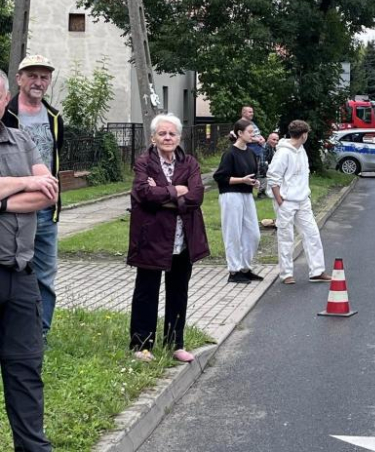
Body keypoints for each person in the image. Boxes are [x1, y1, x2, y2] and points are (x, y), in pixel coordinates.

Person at [0, 69, 56, 451]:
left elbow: (48, 192)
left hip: (21, 277)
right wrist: (25, 182)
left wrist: (4, 201)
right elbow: (36, 185)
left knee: (26, 372)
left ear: (5, 99)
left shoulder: (21, 140)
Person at [128, 113, 210, 363]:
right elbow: (143, 194)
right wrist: (176, 190)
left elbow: (196, 196)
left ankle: (175, 344)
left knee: (178, 291)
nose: (167, 137)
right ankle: (141, 345)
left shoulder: (190, 163)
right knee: (146, 292)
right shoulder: (144, 162)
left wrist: (163, 194)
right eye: (162, 133)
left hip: (182, 239)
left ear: (179, 137)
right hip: (151, 238)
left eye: (172, 133)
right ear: (153, 138)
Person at [1, 55, 64, 339]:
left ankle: (40, 334)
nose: (38, 82)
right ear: (19, 79)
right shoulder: (8, 112)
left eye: (44, 77)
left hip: (44, 208)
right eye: (32, 76)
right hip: (13, 208)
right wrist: (24, 186)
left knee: (45, 274)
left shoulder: (54, 117)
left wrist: (41, 188)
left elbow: (53, 164)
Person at [267, 120, 331, 285]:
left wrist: (305, 195)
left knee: (312, 234)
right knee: (286, 237)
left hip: (302, 200)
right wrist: (280, 200)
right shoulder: (283, 153)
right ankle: (286, 273)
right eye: (307, 134)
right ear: (303, 135)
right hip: (286, 201)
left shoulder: (301, 150)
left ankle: (317, 271)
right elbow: (273, 177)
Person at [213, 119, 263, 283]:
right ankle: (234, 271)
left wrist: (254, 182)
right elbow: (220, 177)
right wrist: (242, 180)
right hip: (231, 195)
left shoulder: (251, 153)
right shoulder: (230, 153)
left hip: (246, 195)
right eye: (250, 132)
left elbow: (251, 175)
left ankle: (245, 268)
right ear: (240, 133)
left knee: (253, 234)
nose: (253, 135)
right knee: (233, 233)